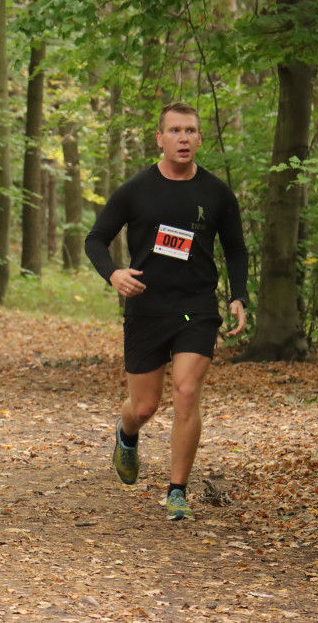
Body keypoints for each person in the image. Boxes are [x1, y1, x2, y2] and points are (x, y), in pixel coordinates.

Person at [84, 101, 249, 521]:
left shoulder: (215, 193)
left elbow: (234, 248)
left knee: (187, 392)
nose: (183, 138)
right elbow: (95, 239)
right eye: (174, 131)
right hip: (146, 307)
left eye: (190, 131)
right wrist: (114, 274)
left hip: (196, 307)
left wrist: (238, 295)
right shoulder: (137, 190)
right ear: (160, 139)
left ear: (199, 138)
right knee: (144, 407)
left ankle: (177, 491)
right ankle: (126, 433)